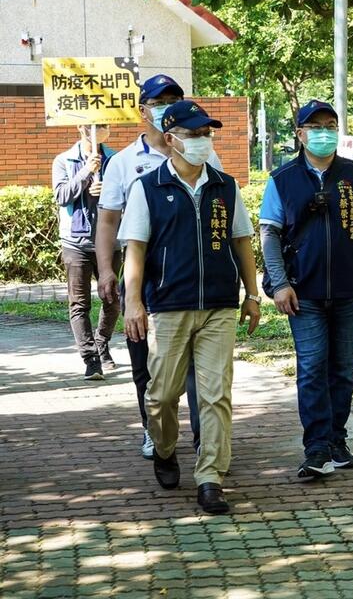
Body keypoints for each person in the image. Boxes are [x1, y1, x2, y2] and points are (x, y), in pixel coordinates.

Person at [120, 100, 260, 515]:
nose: (203, 140)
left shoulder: (225, 186)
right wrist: (133, 302)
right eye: (194, 134)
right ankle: (164, 449)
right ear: (171, 138)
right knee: (161, 395)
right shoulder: (147, 188)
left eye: (206, 133)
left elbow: (241, 241)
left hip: (219, 306)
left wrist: (252, 295)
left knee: (216, 395)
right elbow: (135, 250)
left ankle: (210, 478)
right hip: (168, 306)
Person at [259, 100, 353, 479]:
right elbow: (269, 234)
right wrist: (279, 283)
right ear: (300, 134)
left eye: (330, 125)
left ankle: (337, 439)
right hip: (302, 291)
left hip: (348, 288)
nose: (324, 132)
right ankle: (317, 446)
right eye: (316, 126)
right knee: (311, 367)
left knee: (343, 370)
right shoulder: (282, 179)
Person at [97, 74, 221, 459]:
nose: (168, 105)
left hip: (193, 276)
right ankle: (155, 431)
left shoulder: (202, 151)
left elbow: (222, 207)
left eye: (174, 99)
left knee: (200, 368)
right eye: (160, 101)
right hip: (143, 275)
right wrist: (106, 270)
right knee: (146, 363)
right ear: (143, 110)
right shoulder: (123, 163)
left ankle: (205, 440)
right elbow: (108, 221)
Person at [52, 124, 121, 380]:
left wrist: (108, 191)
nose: (105, 128)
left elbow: (130, 195)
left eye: (106, 124)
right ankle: (91, 359)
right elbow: (61, 195)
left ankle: (102, 343)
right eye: (99, 125)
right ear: (82, 127)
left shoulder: (115, 159)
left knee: (113, 299)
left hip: (110, 241)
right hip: (76, 243)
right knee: (79, 303)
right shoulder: (64, 160)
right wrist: (85, 173)